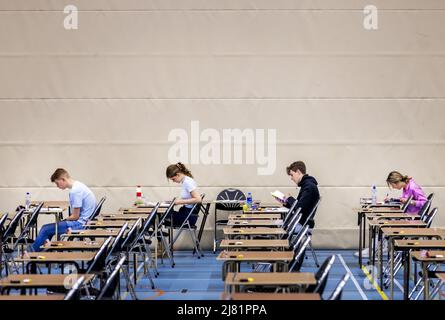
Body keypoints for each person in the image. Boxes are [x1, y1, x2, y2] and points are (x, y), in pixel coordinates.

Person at [29, 168, 97, 252]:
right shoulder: (79, 185)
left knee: (45, 229)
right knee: (49, 229)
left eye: (57, 183)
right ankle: (42, 254)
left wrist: (63, 220)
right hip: (86, 221)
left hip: (80, 224)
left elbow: (75, 216)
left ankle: (31, 256)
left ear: (63, 179)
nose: (57, 186)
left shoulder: (75, 191)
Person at [275, 161, 320, 229]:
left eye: (292, 175)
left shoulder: (309, 187)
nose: (291, 178)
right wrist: (286, 202)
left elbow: (299, 208)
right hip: (300, 221)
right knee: (276, 223)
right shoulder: (306, 185)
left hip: (301, 224)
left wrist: (289, 198)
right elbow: (300, 205)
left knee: (275, 225)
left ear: (298, 172)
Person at [166, 162, 202, 226]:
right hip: (186, 213)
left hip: (188, 217)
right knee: (162, 215)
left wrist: (180, 202)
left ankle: (150, 232)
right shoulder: (186, 181)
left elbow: (198, 199)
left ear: (178, 174)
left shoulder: (187, 182)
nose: (173, 181)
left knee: (160, 215)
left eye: (173, 179)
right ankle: (156, 233)